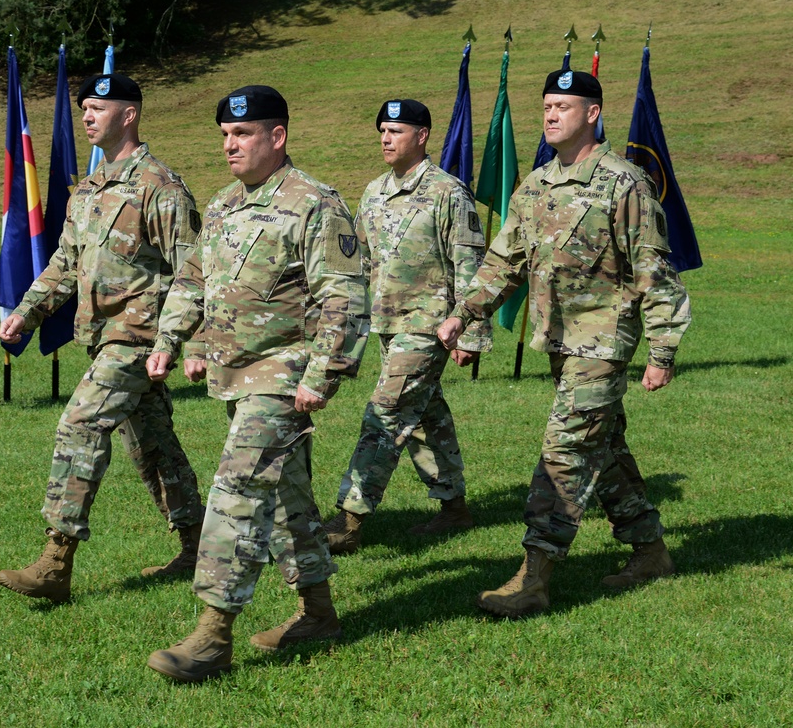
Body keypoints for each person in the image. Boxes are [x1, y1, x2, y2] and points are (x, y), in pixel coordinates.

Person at [438, 70, 692, 618]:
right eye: (547, 106)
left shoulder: (625, 184)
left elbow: (653, 268)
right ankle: (650, 553)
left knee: (566, 451)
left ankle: (533, 577)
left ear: (592, 114)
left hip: (603, 343)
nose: (551, 115)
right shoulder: (535, 186)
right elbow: (505, 259)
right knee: (606, 447)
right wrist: (465, 314)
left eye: (563, 106)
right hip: (559, 341)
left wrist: (662, 350)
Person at [144, 85, 369, 682]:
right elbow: (193, 282)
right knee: (288, 502)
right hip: (234, 376)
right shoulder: (221, 206)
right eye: (224, 135)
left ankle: (213, 635)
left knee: (238, 490)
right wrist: (175, 341)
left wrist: (323, 375)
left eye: (241, 134)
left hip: (286, 374)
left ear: (278, 136)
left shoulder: (315, 204)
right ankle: (319, 612)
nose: (229, 145)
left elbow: (343, 298)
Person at [0, 73, 205, 603]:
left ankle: (55, 561)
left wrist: (184, 343)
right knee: (153, 447)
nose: (86, 115)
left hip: (138, 338)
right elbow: (65, 263)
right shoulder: (86, 190)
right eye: (83, 107)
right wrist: (27, 314)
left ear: (128, 114)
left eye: (97, 107)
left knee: (81, 423)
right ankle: (201, 545)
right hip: (100, 334)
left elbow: (194, 272)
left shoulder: (161, 187)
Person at [323, 99, 491, 555]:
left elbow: (470, 265)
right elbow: (358, 258)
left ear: (422, 136)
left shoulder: (447, 192)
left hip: (430, 326)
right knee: (424, 417)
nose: (385, 137)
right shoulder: (374, 192)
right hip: (386, 324)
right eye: (381, 129)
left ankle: (349, 519)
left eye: (395, 130)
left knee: (386, 412)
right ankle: (454, 507)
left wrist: (471, 332)